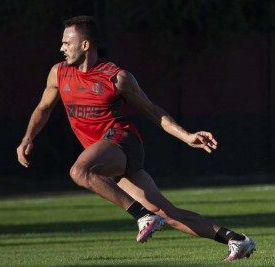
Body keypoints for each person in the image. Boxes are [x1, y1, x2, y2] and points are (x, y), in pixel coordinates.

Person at [16, 15, 255, 261]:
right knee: (168, 213)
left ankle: (142, 216)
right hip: (104, 157)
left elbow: (152, 111)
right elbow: (43, 109)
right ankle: (237, 240)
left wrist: (187, 136)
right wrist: (27, 138)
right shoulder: (58, 73)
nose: (61, 48)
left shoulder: (116, 77)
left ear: (85, 45)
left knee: (79, 171)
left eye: (67, 43)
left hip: (123, 143)